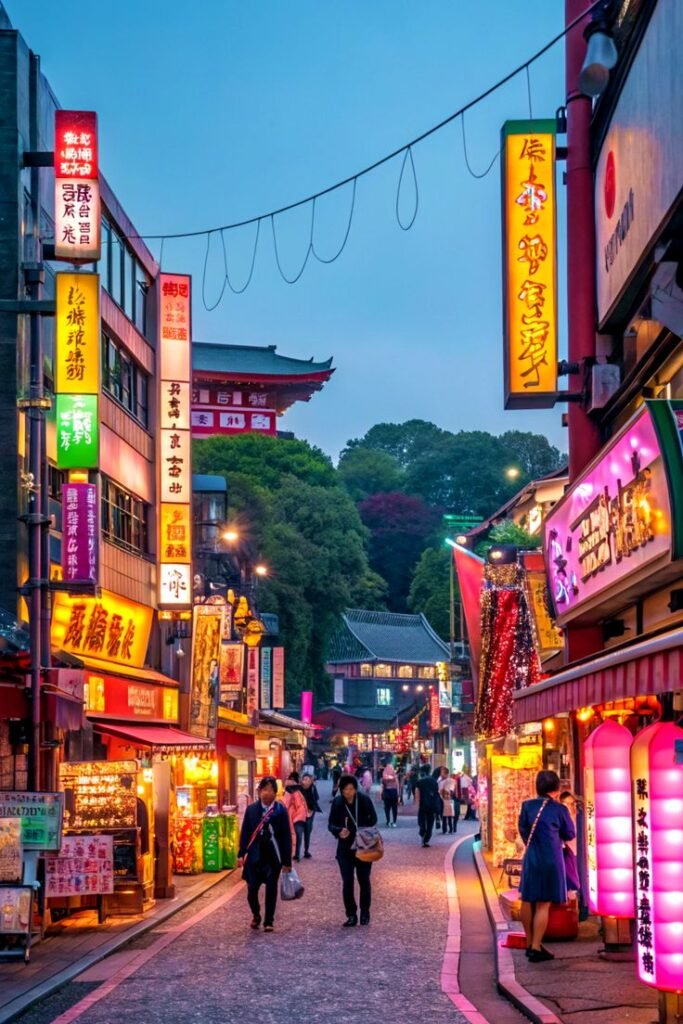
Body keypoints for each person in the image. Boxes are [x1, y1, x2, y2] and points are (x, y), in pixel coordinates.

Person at [518, 770, 575, 962]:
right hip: (551, 858)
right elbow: (569, 834)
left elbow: (523, 830)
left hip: (531, 856)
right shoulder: (559, 809)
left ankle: (528, 943)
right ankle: (536, 947)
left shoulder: (526, 806)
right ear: (557, 787)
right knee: (543, 904)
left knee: (527, 899)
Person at [238, 776, 292, 932]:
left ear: (276, 793)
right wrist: (241, 853)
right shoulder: (252, 809)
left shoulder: (280, 811)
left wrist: (287, 861)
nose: (267, 793)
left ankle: (269, 920)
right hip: (254, 857)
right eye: (265, 789)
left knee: (271, 890)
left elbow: (285, 837)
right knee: (251, 890)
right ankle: (256, 915)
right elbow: (246, 832)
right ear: (259, 791)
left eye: (271, 790)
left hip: (272, 857)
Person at [328, 773, 378, 926]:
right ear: (341, 790)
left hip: (364, 846)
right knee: (347, 882)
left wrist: (362, 829)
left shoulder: (364, 800)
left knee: (364, 880)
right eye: (345, 789)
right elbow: (330, 824)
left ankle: (365, 912)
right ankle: (351, 914)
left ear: (356, 788)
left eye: (351, 788)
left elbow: (374, 819)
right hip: (345, 848)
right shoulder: (337, 803)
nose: (349, 792)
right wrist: (338, 831)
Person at [282, 772, 308, 862]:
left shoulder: (295, 791)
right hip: (297, 817)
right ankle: (295, 854)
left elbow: (286, 804)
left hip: (298, 817)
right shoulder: (293, 791)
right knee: (296, 835)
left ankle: (296, 854)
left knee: (297, 835)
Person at [560, 791, 581, 895]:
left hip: (580, 855)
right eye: (567, 804)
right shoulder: (560, 821)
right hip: (568, 856)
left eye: (573, 803)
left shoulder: (580, 819)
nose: (571, 807)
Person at [415, 766, 440, 847]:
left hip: (423, 804)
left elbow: (417, 793)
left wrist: (417, 804)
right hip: (432, 804)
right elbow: (437, 793)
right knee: (430, 821)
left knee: (422, 821)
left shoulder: (420, 781)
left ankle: (422, 833)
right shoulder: (434, 781)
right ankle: (426, 839)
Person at [301, 772, 322, 858]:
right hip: (300, 813)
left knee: (307, 831)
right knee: (298, 832)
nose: (305, 781)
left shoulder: (313, 788)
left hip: (310, 812)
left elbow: (317, 798)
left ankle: (306, 850)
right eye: (304, 779)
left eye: (307, 779)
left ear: (310, 781)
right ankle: (296, 852)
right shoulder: (299, 789)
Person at [439, 770, 458, 834]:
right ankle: (447, 829)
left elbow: (451, 790)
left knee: (447, 815)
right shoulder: (440, 781)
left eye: (442, 773)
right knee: (445, 815)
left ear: (446, 774)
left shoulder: (449, 781)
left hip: (446, 799)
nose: (441, 775)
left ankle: (448, 829)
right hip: (444, 799)